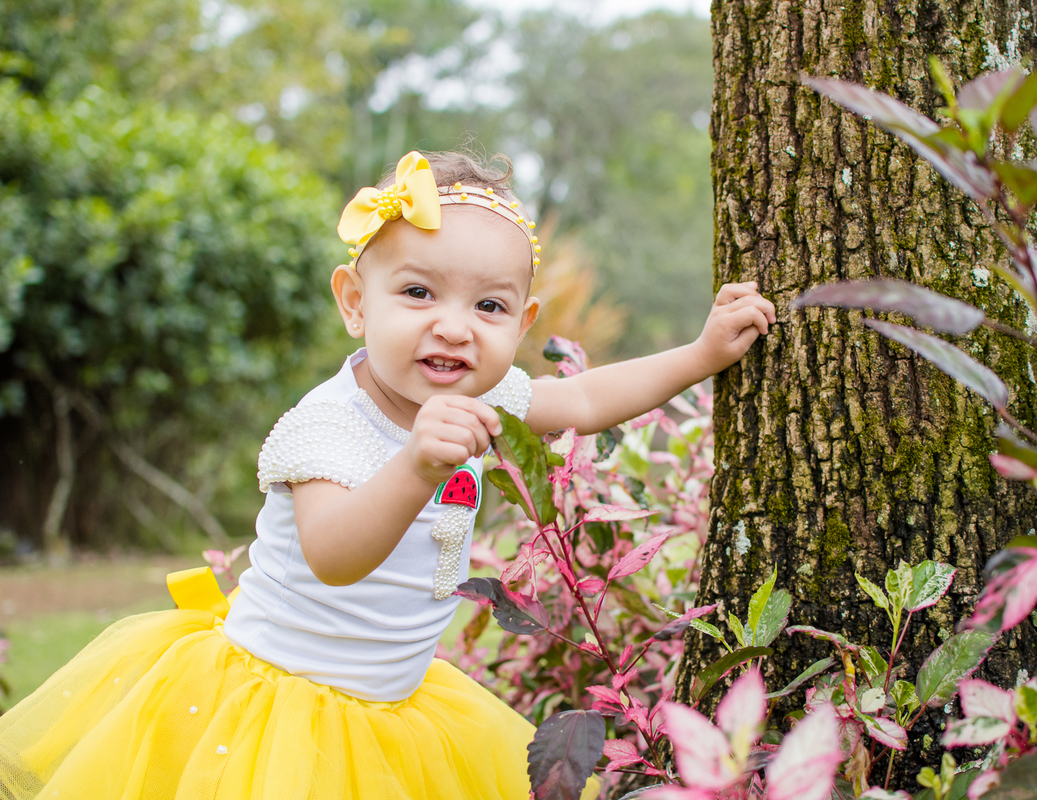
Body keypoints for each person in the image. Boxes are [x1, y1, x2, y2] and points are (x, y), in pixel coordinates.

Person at [0, 150, 776, 799]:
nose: (453, 325)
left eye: (490, 307)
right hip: (275, 713)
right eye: (417, 292)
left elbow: (583, 396)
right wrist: (415, 466)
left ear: (523, 324)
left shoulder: (483, 392)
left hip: (396, 708)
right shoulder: (328, 422)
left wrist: (700, 355)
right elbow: (334, 555)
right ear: (354, 303)